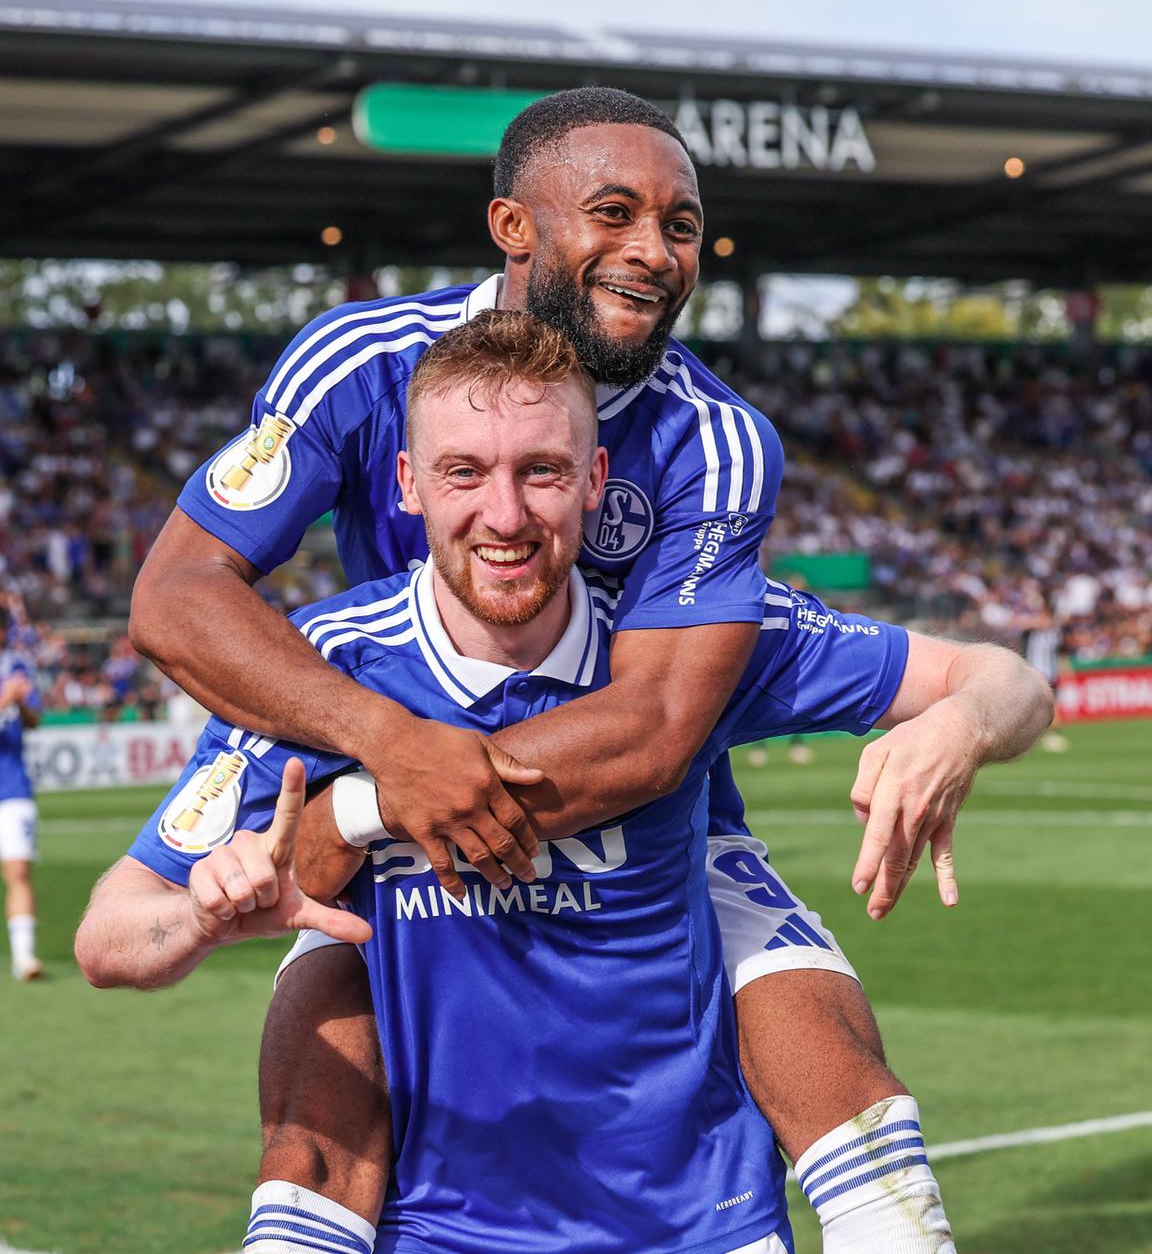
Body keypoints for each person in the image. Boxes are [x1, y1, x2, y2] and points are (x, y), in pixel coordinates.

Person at [126, 89, 1026, 1252]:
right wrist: (387, 758)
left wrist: (959, 723)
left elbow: (655, 732)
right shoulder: (360, 363)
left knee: (849, 1098)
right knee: (313, 1139)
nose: (654, 252)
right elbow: (176, 595)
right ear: (513, 226)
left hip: (652, 827)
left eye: (683, 226)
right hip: (398, 834)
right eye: (615, 213)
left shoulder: (717, 438)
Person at [0, 596, 44, 981]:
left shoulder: (16, 665)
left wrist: (22, 704)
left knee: (17, 870)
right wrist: (4, 700)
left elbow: (33, 721)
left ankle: (24, 957)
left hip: (12, 786)